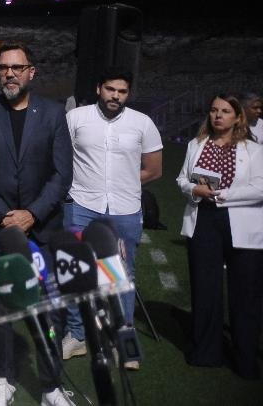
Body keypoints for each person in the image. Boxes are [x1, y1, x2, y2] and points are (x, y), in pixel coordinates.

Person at [0, 43, 73, 406]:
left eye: (17, 67)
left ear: (31, 71)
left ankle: (51, 385)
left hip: (43, 228)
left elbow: (62, 174)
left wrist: (32, 214)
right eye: (3, 67)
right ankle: (2, 379)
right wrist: (4, 214)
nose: (9, 73)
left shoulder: (54, 114)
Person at [60, 68, 162, 370]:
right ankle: (77, 336)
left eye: (122, 91)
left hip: (125, 210)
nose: (115, 96)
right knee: (75, 272)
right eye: (110, 89)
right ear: (98, 88)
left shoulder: (142, 123)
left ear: (128, 94)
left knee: (121, 275)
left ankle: (123, 340)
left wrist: (124, 183)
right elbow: (60, 157)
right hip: (80, 205)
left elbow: (154, 170)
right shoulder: (76, 118)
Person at [177, 93, 263, 379]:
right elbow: (181, 179)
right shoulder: (195, 144)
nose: (218, 115)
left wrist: (222, 195)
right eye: (214, 110)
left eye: (225, 111)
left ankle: (245, 360)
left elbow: (260, 189)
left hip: (242, 225)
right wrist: (194, 190)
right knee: (205, 289)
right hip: (204, 221)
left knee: (245, 295)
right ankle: (206, 353)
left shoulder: (254, 149)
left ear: (238, 117)